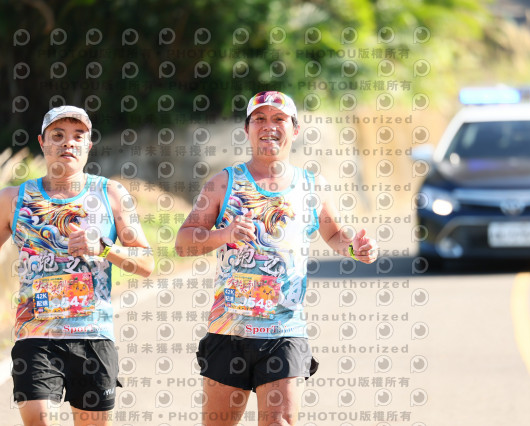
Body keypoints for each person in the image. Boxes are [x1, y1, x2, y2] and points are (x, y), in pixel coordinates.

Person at [175, 91, 378, 426]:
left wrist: (356, 247)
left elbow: (335, 235)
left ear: (295, 130)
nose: (269, 126)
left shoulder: (311, 186)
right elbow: (183, 243)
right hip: (229, 330)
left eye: (279, 119)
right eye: (260, 119)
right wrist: (223, 235)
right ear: (247, 129)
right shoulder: (223, 183)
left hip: (284, 330)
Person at [0, 105, 155, 426]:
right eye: (58, 135)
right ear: (42, 142)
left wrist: (104, 248)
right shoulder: (13, 199)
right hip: (35, 334)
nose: (68, 143)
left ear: (88, 145)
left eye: (78, 136)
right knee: (38, 420)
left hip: (92, 337)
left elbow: (146, 263)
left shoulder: (111, 194)